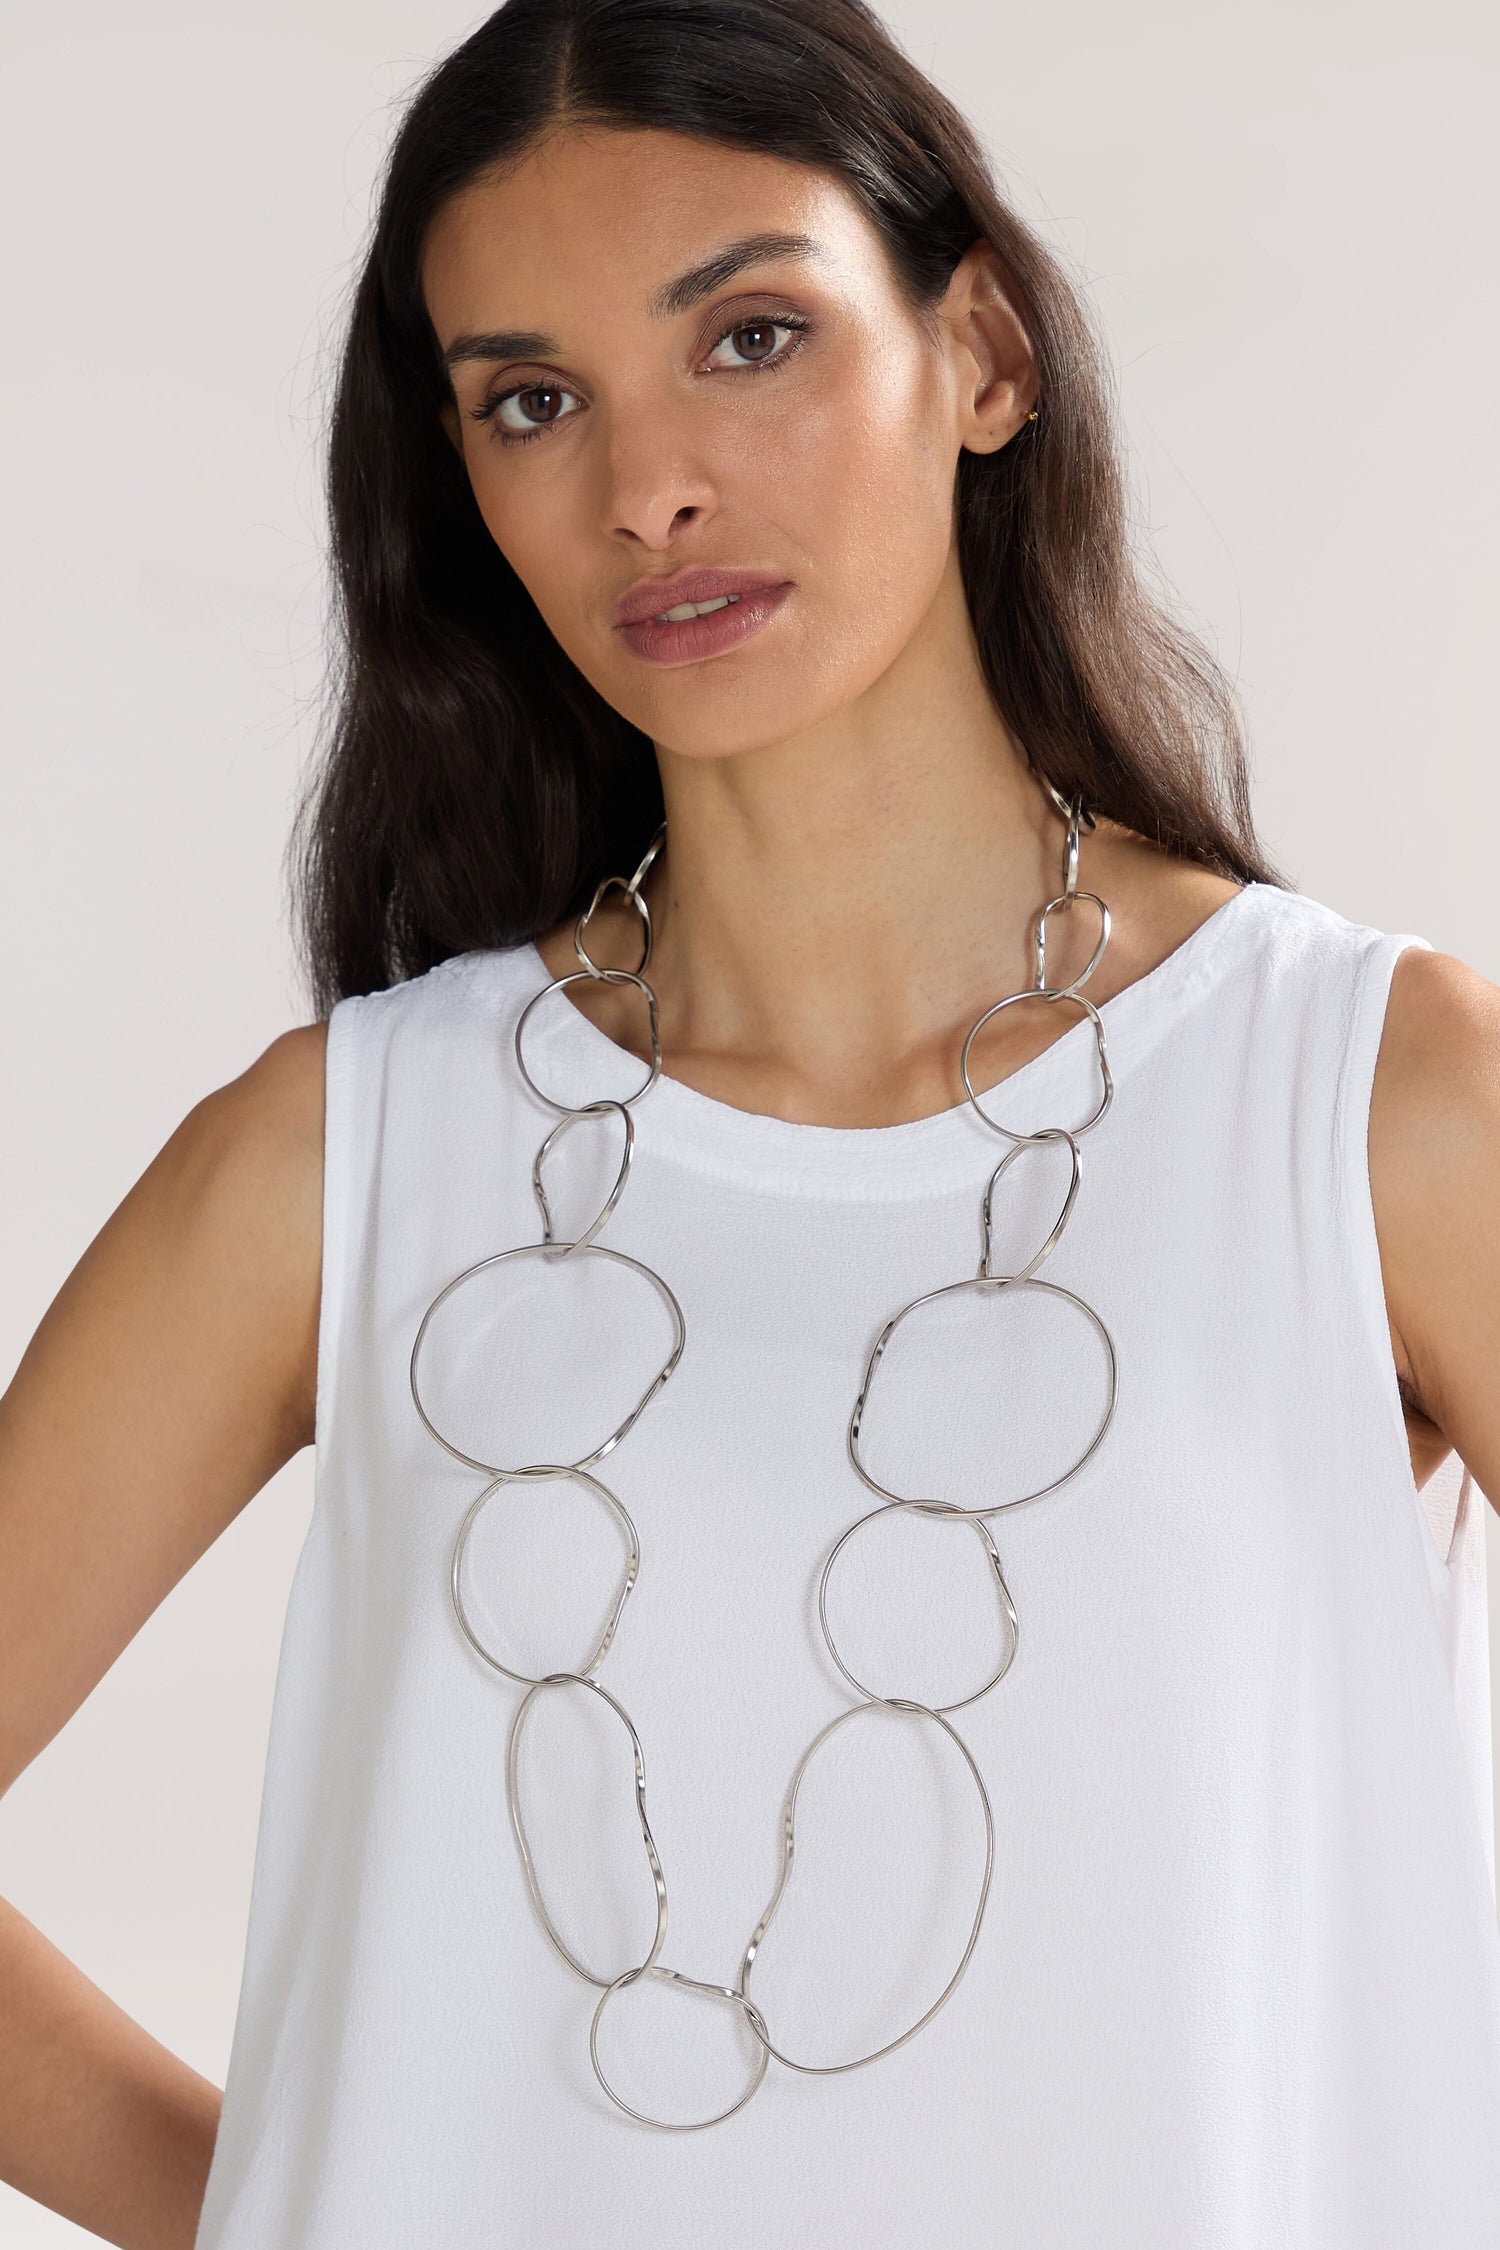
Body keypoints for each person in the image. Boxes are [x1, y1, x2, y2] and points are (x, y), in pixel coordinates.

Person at [3, 0, 1499, 2243]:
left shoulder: (1369, 1106)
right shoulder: (340, 1162)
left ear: (982, 355)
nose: (648, 487)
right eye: (532, 400)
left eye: (754, 337)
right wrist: (288, 2202)